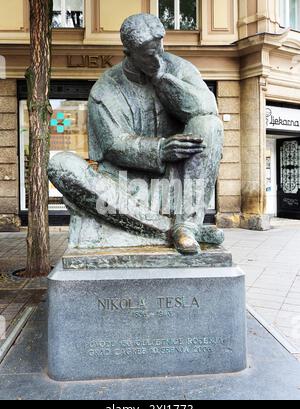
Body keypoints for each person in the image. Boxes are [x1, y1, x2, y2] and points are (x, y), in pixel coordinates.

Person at [49, 13, 224, 255]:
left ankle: (186, 224)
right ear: (128, 53)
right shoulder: (106, 87)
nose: (157, 56)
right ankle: (168, 230)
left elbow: (205, 110)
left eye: (159, 48)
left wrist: (163, 79)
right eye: (148, 53)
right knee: (60, 165)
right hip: (124, 187)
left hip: (175, 186)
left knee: (210, 126)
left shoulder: (179, 68)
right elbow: (112, 144)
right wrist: (160, 149)